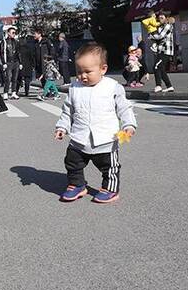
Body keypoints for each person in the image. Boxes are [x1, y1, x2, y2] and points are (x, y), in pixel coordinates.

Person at [55, 42, 137, 204]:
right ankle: (76, 185)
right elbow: (67, 111)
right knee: (72, 162)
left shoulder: (112, 87)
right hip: (79, 138)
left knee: (109, 168)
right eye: (79, 72)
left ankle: (110, 189)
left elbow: (124, 108)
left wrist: (129, 125)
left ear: (103, 69)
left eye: (87, 72)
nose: (82, 76)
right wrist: (62, 127)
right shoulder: (74, 87)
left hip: (105, 138)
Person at [148, 11, 175, 93]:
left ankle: (158, 86)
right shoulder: (160, 27)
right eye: (159, 18)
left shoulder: (168, 26)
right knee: (161, 69)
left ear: (166, 18)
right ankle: (169, 86)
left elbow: (160, 36)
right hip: (161, 50)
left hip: (166, 51)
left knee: (156, 66)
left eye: (162, 17)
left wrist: (151, 35)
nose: (160, 19)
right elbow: (157, 38)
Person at [0, 26, 21, 99]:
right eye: (13, 32)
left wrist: (20, 63)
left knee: (15, 78)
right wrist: (4, 63)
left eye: (15, 33)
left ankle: (13, 92)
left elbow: (18, 53)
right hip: (8, 62)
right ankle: (5, 92)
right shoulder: (4, 42)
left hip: (16, 62)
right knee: (8, 78)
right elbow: (2, 53)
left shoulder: (16, 42)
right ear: (8, 33)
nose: (14, 34)